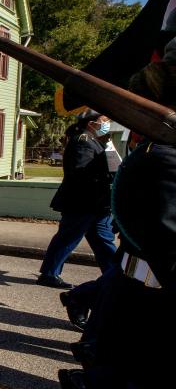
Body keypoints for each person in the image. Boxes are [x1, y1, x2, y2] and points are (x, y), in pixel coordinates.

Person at [61, 44, 176, 389]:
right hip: (158, 323)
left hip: (142, 319)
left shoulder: (149, 152)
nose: (102, 126)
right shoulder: (160, 161)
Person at [38, 109, 118, 289]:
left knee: (104, 241)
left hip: (96, 204)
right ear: (92, 123)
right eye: (105, 120)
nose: (107, 125)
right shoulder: (84, 142)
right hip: (82, 202)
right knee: (67, 238)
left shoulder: (94, 141)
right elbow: (80, 172)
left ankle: (116, 276)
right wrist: (106, 176)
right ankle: (49, 274)